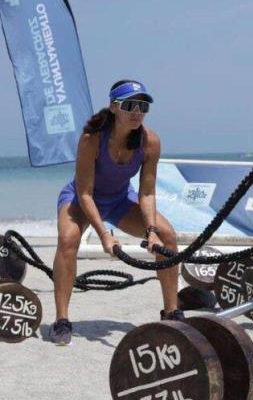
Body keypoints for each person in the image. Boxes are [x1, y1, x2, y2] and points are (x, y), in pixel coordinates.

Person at [50, 79, 182, 345]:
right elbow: (85, 193)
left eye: (142, 106)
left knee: (168, 237)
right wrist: (104, 236)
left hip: (120, 200)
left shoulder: (150, 142)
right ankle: (61, 320)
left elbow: (146, 193)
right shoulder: (91, 139)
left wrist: (151, 232)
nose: (137, 111)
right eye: (130, 105)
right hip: (81, 199)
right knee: (67, 240)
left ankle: (172, 313)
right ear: (113, 107)